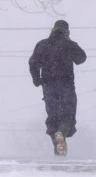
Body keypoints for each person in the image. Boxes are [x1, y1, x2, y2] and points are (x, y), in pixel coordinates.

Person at [28, 19, 87, 156]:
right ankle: (61, 134)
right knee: (67, 116)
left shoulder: (42, 45)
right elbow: (82, 58)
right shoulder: (69, 44)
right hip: (66, 87)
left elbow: (33, 63)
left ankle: (58, 148)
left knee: (53, 118)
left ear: (53, 30)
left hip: (49, 87)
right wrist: (70, 45)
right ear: (66, 32)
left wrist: (37, 79)